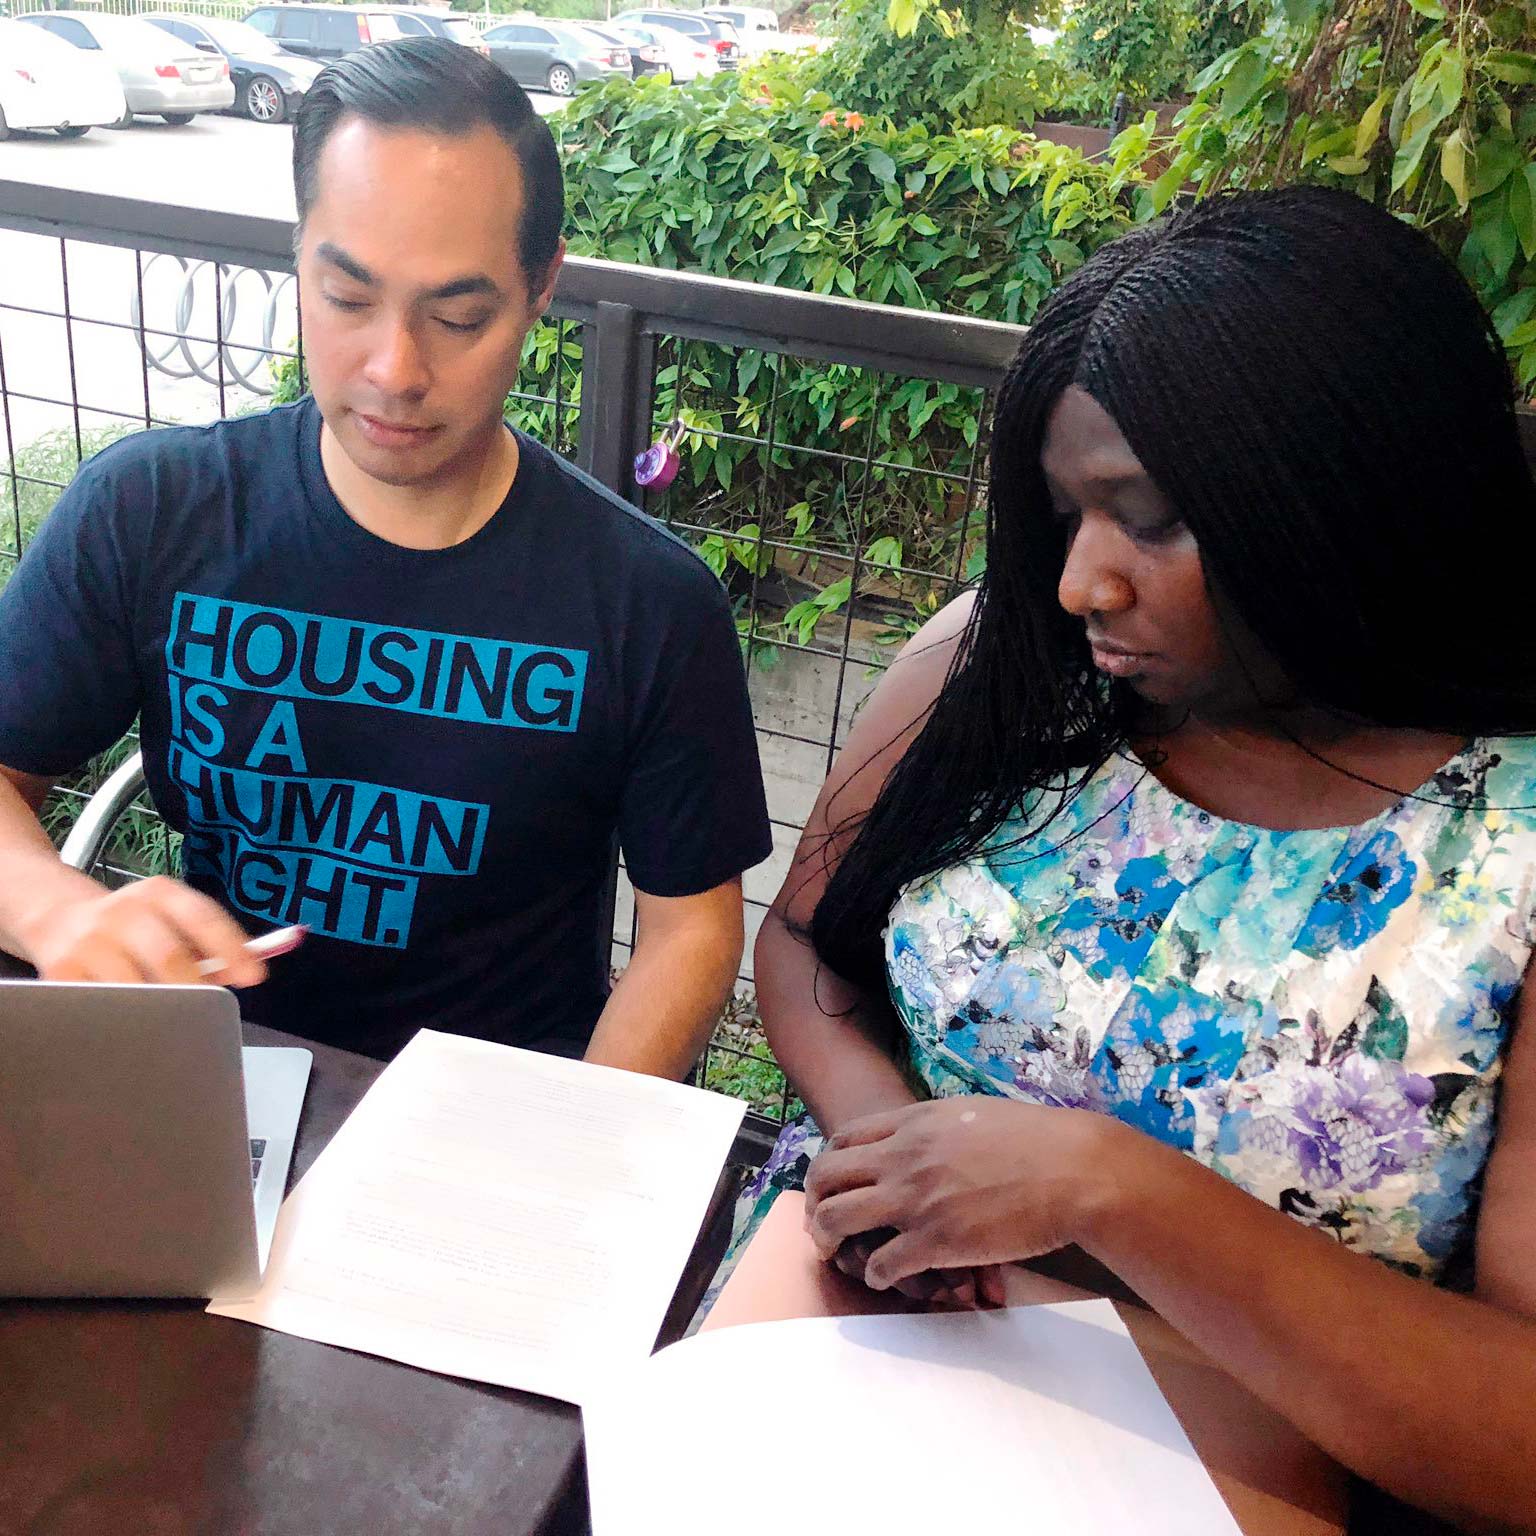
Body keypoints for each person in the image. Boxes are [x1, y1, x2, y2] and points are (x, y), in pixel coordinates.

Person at [734, 188, 1536, 1530]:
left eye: (1151, 517)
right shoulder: (997, 672)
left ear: (1346, 500)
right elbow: (807, 944)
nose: (1078, 583)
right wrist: (900, 1163)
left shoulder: (1502, 847)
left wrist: (1101, 1188)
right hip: (855, 1362)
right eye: (1067, 513)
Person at [0, 40, 771, 1076]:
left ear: (542, 286)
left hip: (491, 1119)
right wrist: (55, 909)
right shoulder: (149, 512)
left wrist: (580, 1145)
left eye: (458, 316)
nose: (394, 370)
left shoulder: (648, 602)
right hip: (210, 1089)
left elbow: (690, 929)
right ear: (299, 253)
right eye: (348, 298)